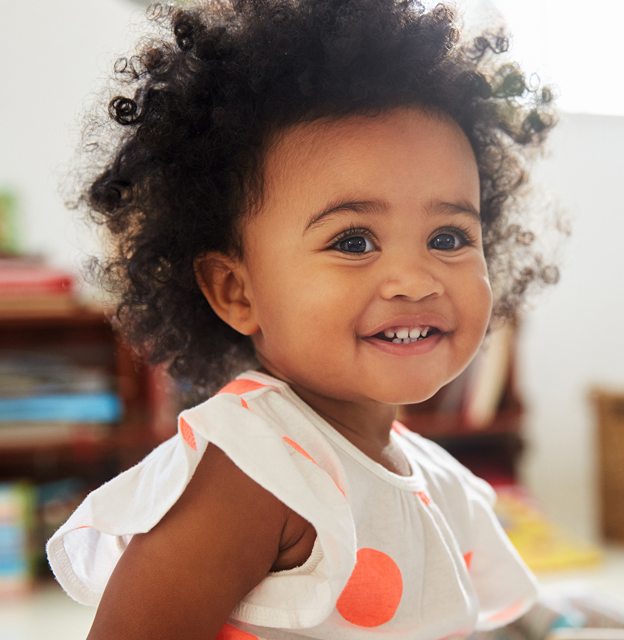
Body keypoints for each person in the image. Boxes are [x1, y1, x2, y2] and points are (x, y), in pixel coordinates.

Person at [45, 1, 559, 638]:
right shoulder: (255, 471)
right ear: (237, 291)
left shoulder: (441, 483)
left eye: (450, 237)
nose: (415, 279)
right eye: (352, 242)